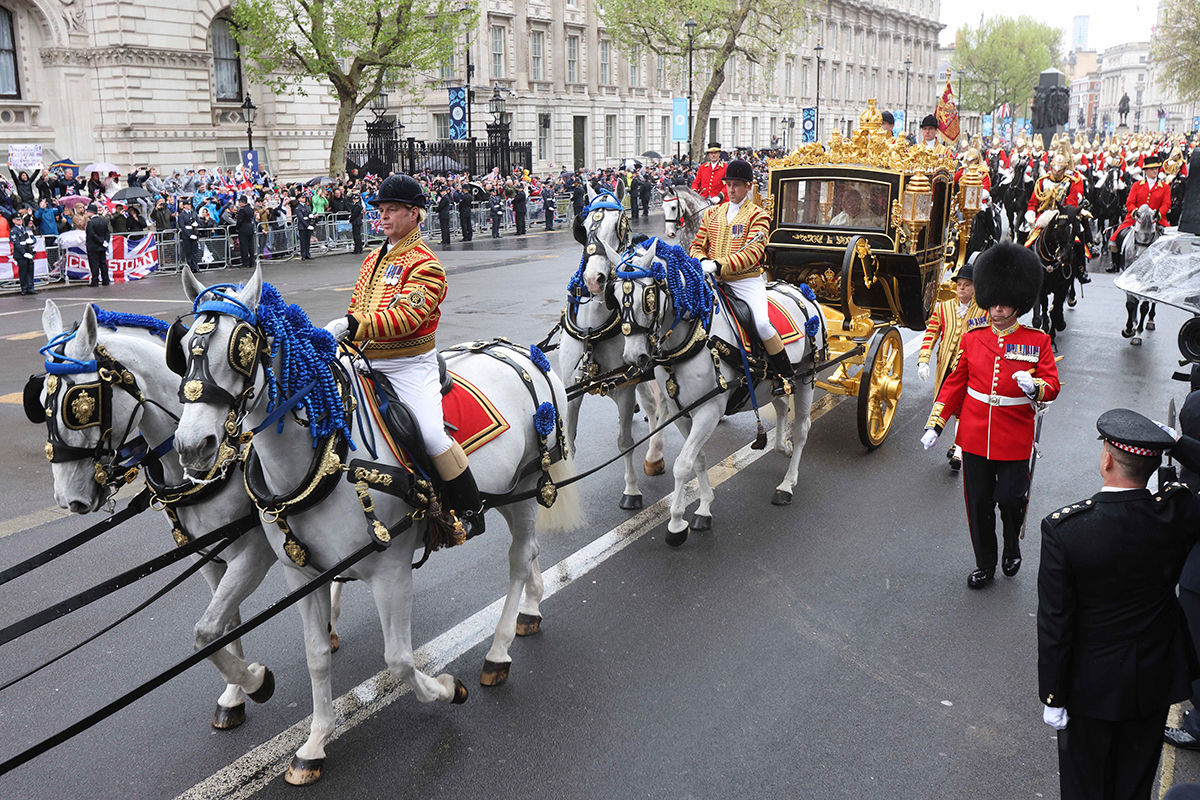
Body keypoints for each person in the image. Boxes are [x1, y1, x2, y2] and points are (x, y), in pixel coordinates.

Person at [1038, 409, 1200, 800]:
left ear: (1106, 459)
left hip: (1089, 688)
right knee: (1133, 786)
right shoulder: (1178, 511)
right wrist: (1178, 445)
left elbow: (1055, 624)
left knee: (1084, 788)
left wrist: (1053, 697)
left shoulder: (1066, 530)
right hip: (1154, 680)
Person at [324, 174, 485, 537]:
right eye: (380, 209)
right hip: (364, 360)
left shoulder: (426, 264)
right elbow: (359, 304)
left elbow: (406, 317)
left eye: (391, 209)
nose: (383, 215)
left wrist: (353, 325)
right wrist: (345, 339)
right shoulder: (373, 259)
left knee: (430, 434)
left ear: (415, 214)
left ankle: (471, 509)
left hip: (408, 365)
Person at [921, 242, 1060, 589]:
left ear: (1018, 303)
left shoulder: (1037, 341)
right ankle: (985, 563)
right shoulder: (973, 338)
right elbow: (955, 382)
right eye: (993, 302)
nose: (997, 309)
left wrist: (1035, 387)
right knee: (978, 504)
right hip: (974, 432)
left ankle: (1012, 541)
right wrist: (936, 423)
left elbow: (1053, 384)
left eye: (1004, 303)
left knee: (1010, 498)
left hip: (1014, 434)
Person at [689, 158, 793, 396]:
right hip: (712, 280)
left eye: (737, 184)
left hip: (745, 281)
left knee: (762, 324)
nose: (731, 189)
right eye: (729, 184)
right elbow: (696, 245)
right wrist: (702, 261)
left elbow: (753, 252)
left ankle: (786, 375)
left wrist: (718, 264)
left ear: (749, 186)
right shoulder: (713, 213)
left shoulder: (758, 215)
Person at [916, 260, 987, 470]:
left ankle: (959, 448)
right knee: (946, 404)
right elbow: (931, 334)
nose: (961, 288)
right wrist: (923, 360)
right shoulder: (943, 307)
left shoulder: (983, 312)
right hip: (946, 365)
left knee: (964, 408)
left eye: (966, 284)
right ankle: (954, 442)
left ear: (975, 287)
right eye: (959, 284)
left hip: (971, 369)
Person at [1109, 151, 1170, 271]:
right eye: (1152, 169)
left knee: (1172, 242)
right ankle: (1115, 265)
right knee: (1113, 240)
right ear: (1146, 171)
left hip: (1157, 219)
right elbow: (1129, 202)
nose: (1155, 171)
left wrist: (1158, 214)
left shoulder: (1165, 187)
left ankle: (1167, 267)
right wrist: (1135, 213)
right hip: (1135, 219)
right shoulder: (1137, 185)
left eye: (1156, 169)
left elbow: (1166, 204)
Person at [84, 203, 111, 287]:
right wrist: (105, 241)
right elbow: (107, 232)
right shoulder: (103, 220)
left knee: (94, 264)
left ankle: (95, 280)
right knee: (103, 263)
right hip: (102, 246)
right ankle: (105, 279)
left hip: (93, 246)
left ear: (91, 212)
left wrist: (100, 241)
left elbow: (92, 234)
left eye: (88, 211)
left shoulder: (90, 222)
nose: (87, 213)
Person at [12, 210, 37, 295]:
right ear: (14, 221)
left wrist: (31, 241)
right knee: (23, 272)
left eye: (20, 219)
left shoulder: (26, 229)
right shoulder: (14, 231)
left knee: (30, 271)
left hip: (29, 252)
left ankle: (31, 287)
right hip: (21, 255)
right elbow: (16, 243)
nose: (20, 221)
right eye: (18, 220)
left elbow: (33, 238)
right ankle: (24, 288)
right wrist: (23, 253)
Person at [177, 197, 200, 273]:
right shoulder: (182, 215)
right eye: (187, 205)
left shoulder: (193, 213)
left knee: (194, 252)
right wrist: (189, 235)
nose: (189, 206)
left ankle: (195, 266)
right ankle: (190, 266)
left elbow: (197, 221)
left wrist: (196, 225)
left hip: (194, 233)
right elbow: (182, 226)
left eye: (189, 205)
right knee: (188, 252)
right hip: (187, 235)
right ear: (184, 206)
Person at [235, 195, 256, 270]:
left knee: (244, 246)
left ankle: (245, 262)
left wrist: (237, 227)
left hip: (243, 229)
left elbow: (240, 220)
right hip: (250, 228)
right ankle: (252, 261)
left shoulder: (242, 210)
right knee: (251, 246)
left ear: (241, 202)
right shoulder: (251, 209)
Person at [296, 195, 314, 260]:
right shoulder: (298, 208)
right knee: (303, 241)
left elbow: (309, 212)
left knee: (307, 241)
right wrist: (307, 225)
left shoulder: (307, 206)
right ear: (299, 199)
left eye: (304, 198)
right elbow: (301, 218)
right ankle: (303, 254)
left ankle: (307, 254)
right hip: (302, 226)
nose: (304, 199)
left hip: (308, 224)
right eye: (302, 198)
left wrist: (311, 215)